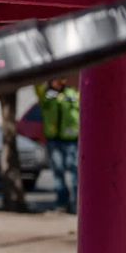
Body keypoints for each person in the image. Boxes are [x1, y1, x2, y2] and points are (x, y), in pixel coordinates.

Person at [39, 77, 81, 214]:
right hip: (53, 139)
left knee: (74, 170)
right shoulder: (46, 94)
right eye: (55, 79)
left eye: (61, 79)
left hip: (71, 139)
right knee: (58, 171)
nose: (58, 82)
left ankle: (76, 203)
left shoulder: (72, 94)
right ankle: (62, 202)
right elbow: (37, 84)